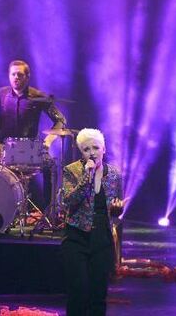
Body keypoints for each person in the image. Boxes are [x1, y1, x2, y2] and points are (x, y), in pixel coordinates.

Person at [0, 59, 67, 209]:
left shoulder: (38, 96)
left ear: (27, 77)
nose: (16, 77)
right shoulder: (2, 93)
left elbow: (61, 120)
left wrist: (48, 141)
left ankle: (47, 211)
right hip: (4, 143)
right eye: (13, 74)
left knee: (50, 168)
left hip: (28, 146)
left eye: (20, 75)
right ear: (9, 76)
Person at [61, 128, 125, 316]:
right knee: (78, 291)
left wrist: (117, 209)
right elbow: (69, 200)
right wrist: (86, 178)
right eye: (86, 149)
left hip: (101, 238)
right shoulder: (71, 171)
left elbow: (115, 212)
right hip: (76, 237)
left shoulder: (114, 174)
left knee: (98, 294)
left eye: (95, 147)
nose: (91, 152)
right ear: (81, 152)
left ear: (103, 149)